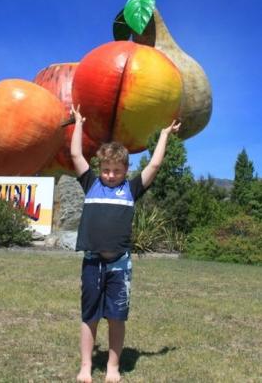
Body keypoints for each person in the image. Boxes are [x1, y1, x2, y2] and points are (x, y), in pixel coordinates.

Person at [70, 104, 181, 383]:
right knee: (90, 316)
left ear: (125, 169)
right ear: (99, 168)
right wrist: (79, 123)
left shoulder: (130, 189)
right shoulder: (90, 183)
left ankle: (113, 367)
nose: (110, 175)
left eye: (116, 170)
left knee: (117, 317)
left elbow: (154, 164)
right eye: (106, 169)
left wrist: (165, 134)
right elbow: (74, 153)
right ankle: (85, 366)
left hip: (120, 264)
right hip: (92, 262)